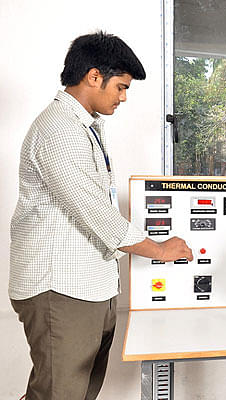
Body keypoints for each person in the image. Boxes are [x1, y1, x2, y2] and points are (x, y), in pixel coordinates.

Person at [9, 32, 193, 400]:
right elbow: (94, 210)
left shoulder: (84, 127)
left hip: (88, 286)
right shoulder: (59, 130)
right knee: (59, 394)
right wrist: (159, 250)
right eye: (121, 87)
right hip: (60, 289)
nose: (123, 97)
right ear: (94, 76)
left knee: (79, 392)